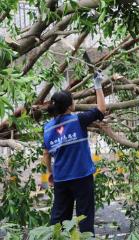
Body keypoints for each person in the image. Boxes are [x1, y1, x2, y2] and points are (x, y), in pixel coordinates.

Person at [42, 72, 106, 234]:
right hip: (82, 177)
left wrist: (50, 172)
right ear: (70, 106)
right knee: (84, 217)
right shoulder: (78, 119)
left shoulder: (47, 128)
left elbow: (46, 155)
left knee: (59, 219)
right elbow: (101, 109)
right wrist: (98, 85)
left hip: (61, 178)